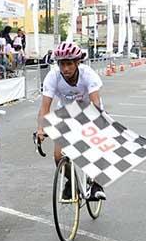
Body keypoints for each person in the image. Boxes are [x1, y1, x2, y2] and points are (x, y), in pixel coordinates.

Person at [36, 42, 106, 201]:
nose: (65, 68)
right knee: (58, 156)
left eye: (69, 64)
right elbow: (45, 107)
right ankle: (70, 181)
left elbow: (95, 102)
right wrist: (41, 128)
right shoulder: (53, 76)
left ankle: (97, 184)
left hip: (89, 111)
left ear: (77, 63)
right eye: (62, 64)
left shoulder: (88, 74)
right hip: (66, 113)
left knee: (93, 147)